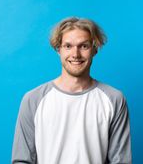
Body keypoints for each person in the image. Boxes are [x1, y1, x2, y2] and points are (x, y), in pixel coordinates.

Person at [11, 17, 132, 164]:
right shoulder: (33, 99)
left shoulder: (114, 99)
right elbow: (22, 161)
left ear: (94, 49)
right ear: (58, 49)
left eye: (84, 46)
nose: (76, 54)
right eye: (68, 46)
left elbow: (120, 161)